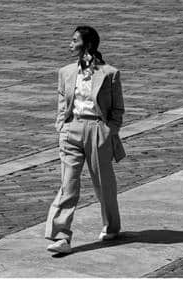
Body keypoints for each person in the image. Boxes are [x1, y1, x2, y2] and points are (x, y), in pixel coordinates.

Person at [45, 25, 126, 254]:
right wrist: (61, 126)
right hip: (72, 130)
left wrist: (110, 131)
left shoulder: (110, 73)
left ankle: (111, 225)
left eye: (74, 40)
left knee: (103, 185)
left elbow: (118, 109)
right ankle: (61, 236)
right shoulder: (66, 72)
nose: (70, 44)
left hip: (98, 130)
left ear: (87, 44)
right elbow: (63, 104)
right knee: (68, 185)